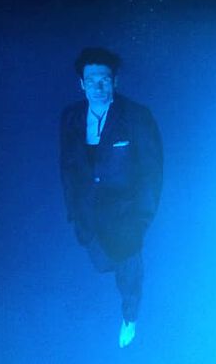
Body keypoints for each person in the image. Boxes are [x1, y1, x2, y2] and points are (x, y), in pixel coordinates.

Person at [60, 47, 163, 349]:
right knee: (103, 263)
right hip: (89, 215)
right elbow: (67, 166)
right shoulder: (70, 118)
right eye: (91, 80)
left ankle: (130, 317)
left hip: (126, 214)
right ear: (81, 83)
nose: (98, 86)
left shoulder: (137, 117)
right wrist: (73, 211)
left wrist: (141, 220)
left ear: (115, 81)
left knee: (129, 270)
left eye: (104, 79)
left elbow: (152, 171)